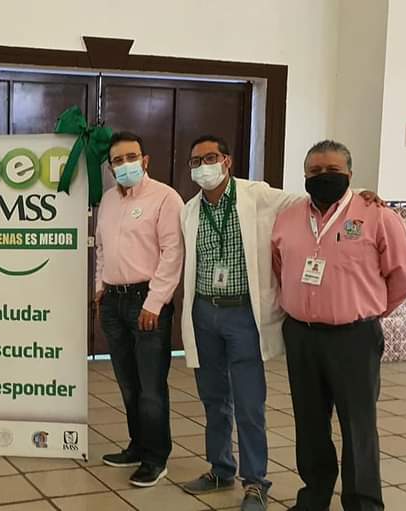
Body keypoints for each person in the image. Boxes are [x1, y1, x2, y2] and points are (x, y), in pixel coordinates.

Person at [178, 136, 384, 510]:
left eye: (210, 158)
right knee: (213, 397)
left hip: (243, 314)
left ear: (226, 160)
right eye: (196, 161)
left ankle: (255, 481)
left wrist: (363, 195)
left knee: (248, 402)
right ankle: (220, 468)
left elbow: (315, 199)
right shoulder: (189, 210)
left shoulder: (257, 195)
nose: (203, 166)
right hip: (204, 312)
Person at [272, 140, 406, 511]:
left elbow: (405, 275)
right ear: (304, 175)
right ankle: (314, 496)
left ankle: (363, 502)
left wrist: (372, 310)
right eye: (315, 171)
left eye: (333, 171)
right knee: (309, 423)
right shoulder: (288, 217)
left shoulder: (376, 214)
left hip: (354, 337)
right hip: (302, 335)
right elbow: (279, 266)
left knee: (358, 424)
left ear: (350, 174)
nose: (324, 177)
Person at [94, 131, 183, 487]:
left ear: (145, 160)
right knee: (128, 383)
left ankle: (156, 457)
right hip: (113, 301)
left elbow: (172, 253)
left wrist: (155, 302)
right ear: (110, 167)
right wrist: (99, 287)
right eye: (117, 160)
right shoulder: (108, 200)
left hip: (147, 302)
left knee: (150, 387)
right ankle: (137, 445)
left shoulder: (165, 197)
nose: (125, 164)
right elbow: (102, 248)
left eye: (131, 157)